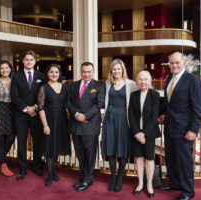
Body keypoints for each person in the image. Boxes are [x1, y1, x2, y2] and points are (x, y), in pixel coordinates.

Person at [160, 52, 201, 200]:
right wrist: (151, 114)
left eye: (177, 62)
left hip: (185, 130)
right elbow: (167, 104)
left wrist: (193, 129)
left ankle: (187, 192)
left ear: (184, 62)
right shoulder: (168, 79)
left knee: (184, 162)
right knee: (171, 159)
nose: (174, 65)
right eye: (171, 63)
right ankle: (175, 184)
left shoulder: (193, 80)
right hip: (170, 127)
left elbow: (198, 108)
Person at [67, 62, 105, 191]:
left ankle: (88, 180)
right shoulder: (73, 85)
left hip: (90, 125)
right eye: (84, 71)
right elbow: (68, 102)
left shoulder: (99, 85)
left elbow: (99, 104)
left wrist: (85, 116)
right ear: (80, 71)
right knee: (80, 153)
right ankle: (82, 177)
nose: (86, 74)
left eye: (89, 72)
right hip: (75, 124)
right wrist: (76, 114)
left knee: (90, 154)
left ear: (93, 72)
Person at [101, 59, 138, 192]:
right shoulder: (107, 83)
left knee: (121, 150)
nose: (116, 71)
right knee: (110, 150)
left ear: (122, 70)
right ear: (111, 70)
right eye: (114, 69)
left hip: (124, 120)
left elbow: (139, 98)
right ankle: (113, 178)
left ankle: (120, 178)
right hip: (109, 120)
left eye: (118, 69)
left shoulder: (131, 84)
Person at [11, 50, 48, 181]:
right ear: (22, 61)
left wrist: (35, 108)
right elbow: (14, 96)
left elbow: (44, 96)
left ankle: (37, 167)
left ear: (35, 61)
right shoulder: (16, 76)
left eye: (31, 60)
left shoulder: (42, 77)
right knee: (21, 143)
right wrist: (27, 109)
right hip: (21, 115)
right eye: (26, 59)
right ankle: (22, 169)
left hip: (37, 115)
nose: (29, 62)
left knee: (38, 142)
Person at [128, 71, 161, 198]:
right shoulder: (134, 95)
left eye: (145, 79)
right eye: (140, 79)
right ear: (137, 81)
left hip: (149, 133)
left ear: (150, 81)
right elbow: (130, 114)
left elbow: (154, 115)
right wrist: (137, 132)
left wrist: (144, 133)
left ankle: (149, 185)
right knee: (139, 159)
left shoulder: (155, 95)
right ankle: (140, 183)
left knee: (149, 159)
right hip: (136, 133)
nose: (143, 82)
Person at [37, 64, 71, 186]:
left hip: (61, 121)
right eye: (51, 72)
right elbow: (40, 108)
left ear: (59, 74)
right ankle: (50, 175)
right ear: (47, 73)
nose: (54, 74)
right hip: (49, 121)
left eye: (56, 72)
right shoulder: (43, 88)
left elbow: (69, 104)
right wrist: (45, 125)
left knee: (56, 147)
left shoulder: (64, 87)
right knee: (50, 148)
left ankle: (54, 172)